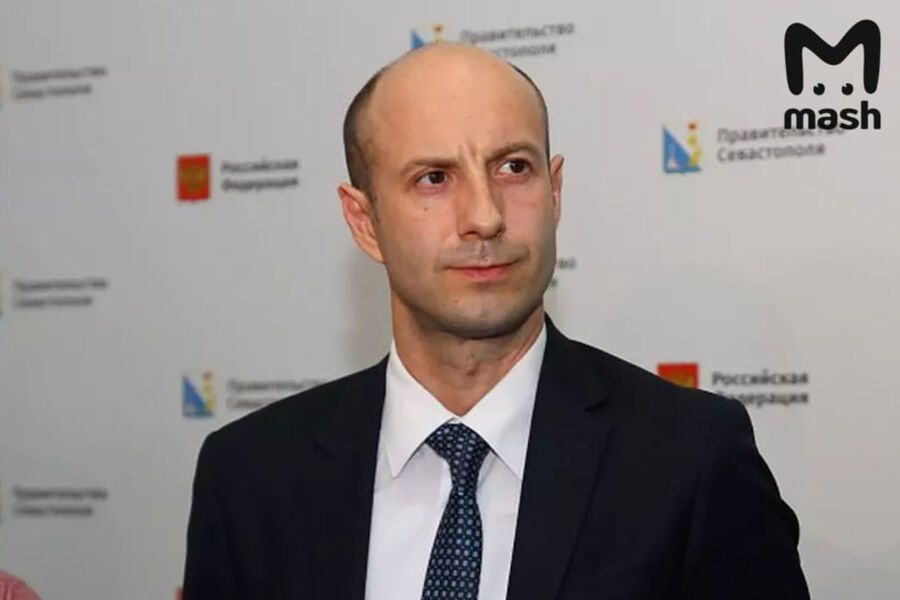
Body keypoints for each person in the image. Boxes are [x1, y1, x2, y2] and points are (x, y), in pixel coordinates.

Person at [183, 43, 809, 599]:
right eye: (434, 178)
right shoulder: (249, 478)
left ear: (555, 192)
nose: (484, 216)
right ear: (364, 221)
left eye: (513, 167)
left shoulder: (689, 460)